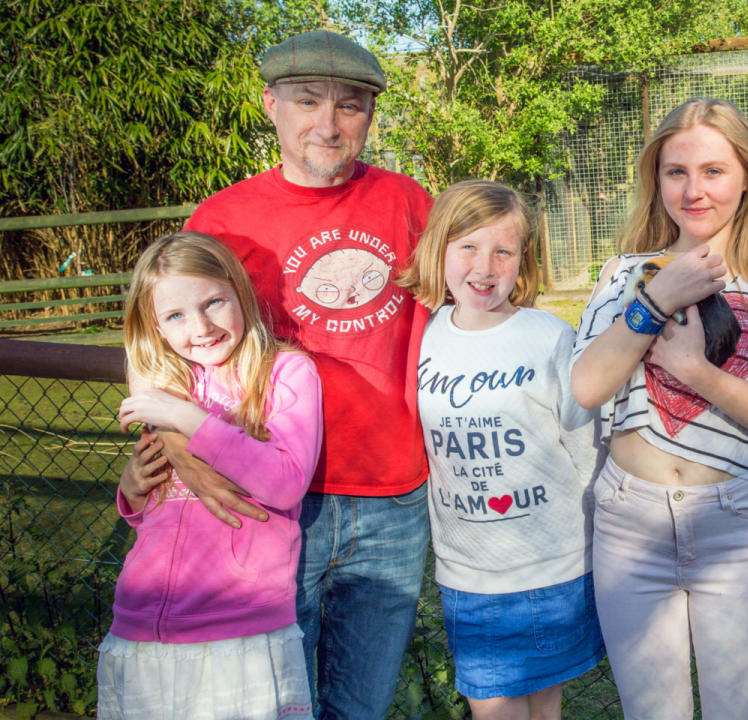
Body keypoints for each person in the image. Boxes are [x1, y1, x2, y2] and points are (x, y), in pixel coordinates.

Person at [173, 31, 433, 720]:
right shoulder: (223, 222)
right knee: (272, 700)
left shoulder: (409, 204)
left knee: (361, 706)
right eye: (308, 101)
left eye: (349, 105)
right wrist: (172, 447)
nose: (328, 123)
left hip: (392, 498)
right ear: (270, 105)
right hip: (270, 499)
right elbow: (165, 349)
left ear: (370, 115)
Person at [570, 98, 748, 720]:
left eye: (713, 171)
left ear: (747, 179)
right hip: (631, 527)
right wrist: (656, 299)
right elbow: (586, 386)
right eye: (676, 171)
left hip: (740, 532)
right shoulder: (622, 275)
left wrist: (695, 371)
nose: (694, 190)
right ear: (656, 180)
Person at [398, 180, 606, 720]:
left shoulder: (548, 336)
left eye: (503, 251)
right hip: (470, 572)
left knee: (544, 706)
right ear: (438, 247)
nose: (484, 266)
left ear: (522, 259)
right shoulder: (421, 337)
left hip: (554, 564)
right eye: (467, 246)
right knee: (492, 707)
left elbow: (585, 444)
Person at [98, 231, 322, 720]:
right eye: (175, 316)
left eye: (214, 302)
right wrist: (132, 490)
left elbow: (285, 483)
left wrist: (187, 420)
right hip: (142, 620)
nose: (200, 327)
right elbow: (160, 510)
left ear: (239, 292)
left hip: (238, 625)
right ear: (154, 326)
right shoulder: (165, 382)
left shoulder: (286, 374)